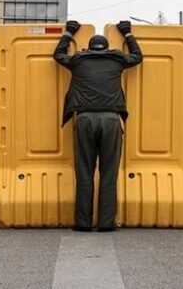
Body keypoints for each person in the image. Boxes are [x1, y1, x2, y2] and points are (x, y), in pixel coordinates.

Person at [53, 20, 143, 232]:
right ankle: (106, 223)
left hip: (84, 119)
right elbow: (137, 56)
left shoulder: (78, 60)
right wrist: (127, 33)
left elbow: (58, 55)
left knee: (84, 172)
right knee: (109, 173)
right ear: (107, 48)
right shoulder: (117, 59)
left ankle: (83, 223)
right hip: (111, 119)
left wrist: (69, 32)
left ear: (89, 48)